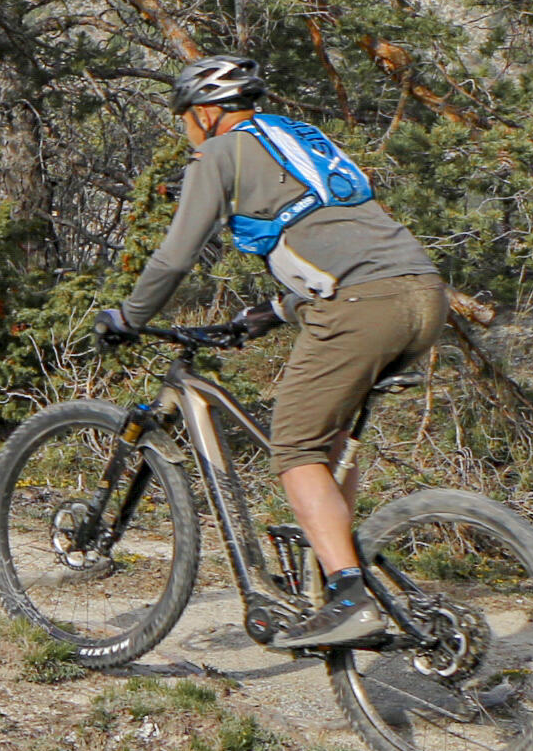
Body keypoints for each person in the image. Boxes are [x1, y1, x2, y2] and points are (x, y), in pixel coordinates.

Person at [96, 54, 449, 652]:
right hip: (423, 294)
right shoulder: (302, 139)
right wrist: (272, 312)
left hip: (364, 303)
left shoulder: (219, 151)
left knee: (295, 446)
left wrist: (129, 317)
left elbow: (174, 257)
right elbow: (331, 235)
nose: (186, 130)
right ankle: (330, 565)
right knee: (331, 441)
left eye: (185, 117)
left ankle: (347, 595)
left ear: (207, 114)